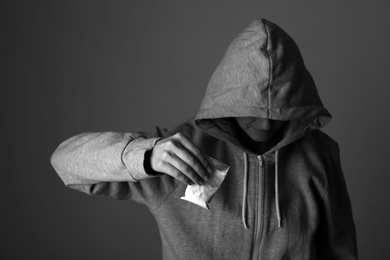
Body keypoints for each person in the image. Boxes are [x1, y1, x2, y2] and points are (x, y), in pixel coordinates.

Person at [51, 18, 358, 259]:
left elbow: (340, 251)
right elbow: (65, 162)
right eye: (250, 108)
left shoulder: (319, 156)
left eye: (278, 110)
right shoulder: (179, 150)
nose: (265, 122)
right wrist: (145, 156)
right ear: (228, 100)